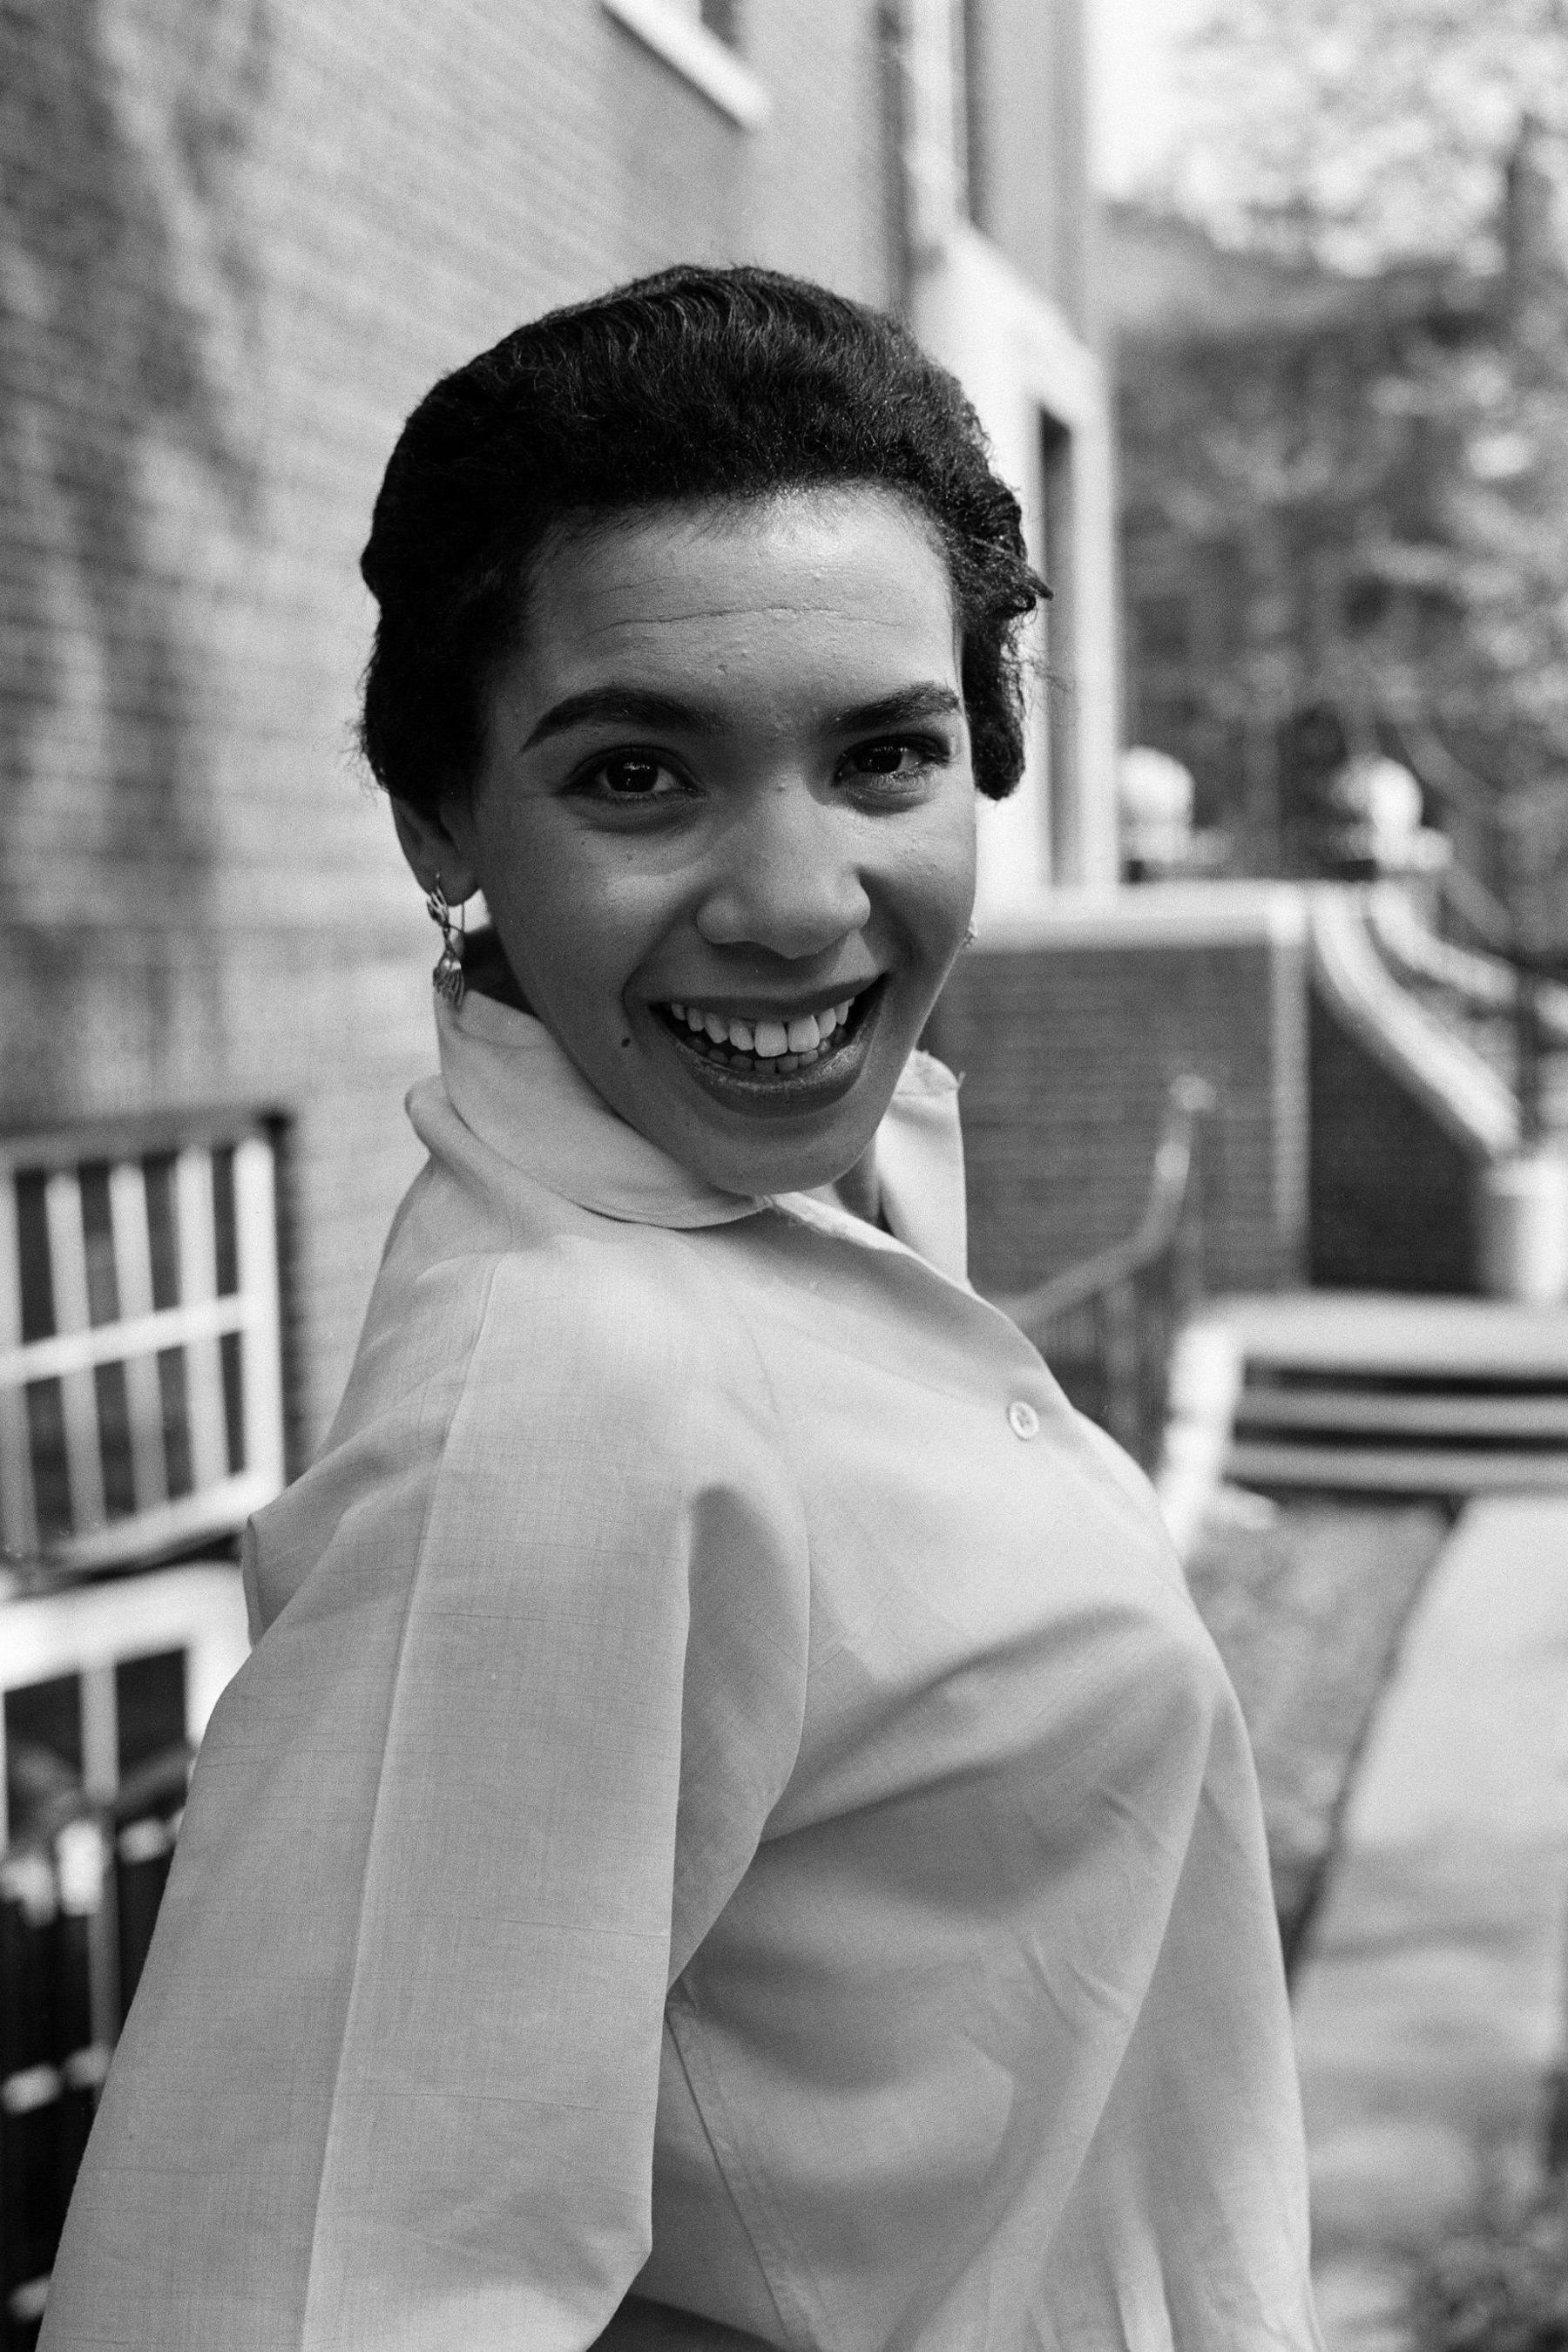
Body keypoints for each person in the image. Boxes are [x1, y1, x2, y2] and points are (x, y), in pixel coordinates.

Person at [43, 267, 1321, 2351]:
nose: (800, 899)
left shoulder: (805, 1221)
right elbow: (284, 2291)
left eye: (885, 756)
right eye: (638, 775)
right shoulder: (572, 1404)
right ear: (441, 818)